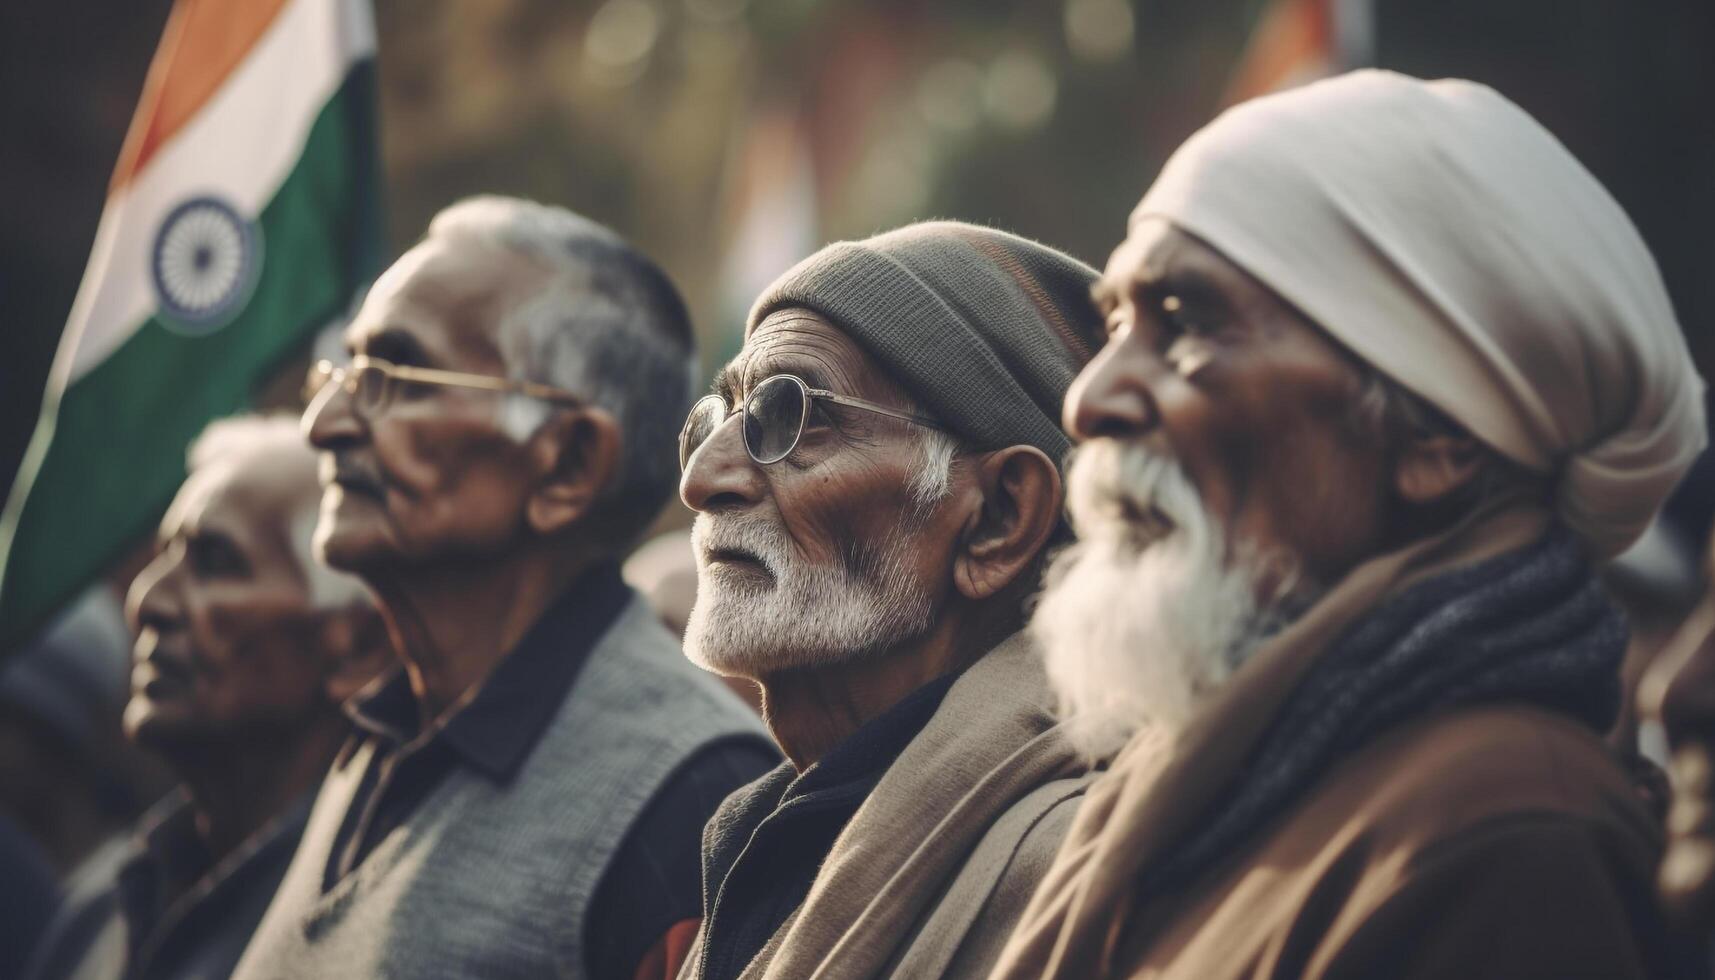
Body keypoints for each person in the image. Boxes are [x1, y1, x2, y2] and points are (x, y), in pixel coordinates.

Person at [990, 70, 1705, 980]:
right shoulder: (1206, 776)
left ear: (1439, 435)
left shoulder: (1507, 841)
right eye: (1119, 324)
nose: (1089, 399)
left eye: (1184, 322)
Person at [234, 196, 775, 980]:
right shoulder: (382, 735)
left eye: (394, 374)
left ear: (568, 464)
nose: (323, 422)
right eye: (343, 370)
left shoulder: (691, 802)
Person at [676, 221, 1106, 979]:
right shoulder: (783, 826)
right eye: (720, 418)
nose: (703, 479)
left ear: (999, 519)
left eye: (791, 415)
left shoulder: (1072, 873)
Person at [26, 415, 392, 980]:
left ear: (358, 646)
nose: (148, 601)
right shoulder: (99, 908)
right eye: (164, 554)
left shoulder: (382, 923)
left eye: (217, 562)